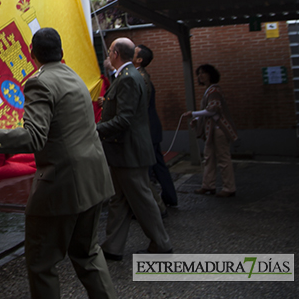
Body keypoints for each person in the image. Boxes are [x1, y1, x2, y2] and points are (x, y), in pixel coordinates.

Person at [0, 27, 116, 299]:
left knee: (42, 262)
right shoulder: (74, 77)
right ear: (61, 51)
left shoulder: (39, 82)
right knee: (88, 253)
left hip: (63, 185)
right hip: (95, 179)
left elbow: (34, 137)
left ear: (31, 53)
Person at [96, 37, 172, 261]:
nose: (108, 55)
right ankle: (113, 246)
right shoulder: (128, 77)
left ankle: (161, 243)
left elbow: (124, 119)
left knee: (142, 199)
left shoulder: (128, 79)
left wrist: (95, 129)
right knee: (119, 200)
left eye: (110, 51)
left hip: (129, 151)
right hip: (123, 152)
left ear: (116, 54)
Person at [183, 64, 238, 198]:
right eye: (199, 73)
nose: (200, 76)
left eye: (203, 73)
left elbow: (213, 109)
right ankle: (208, 185)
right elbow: (210, 112)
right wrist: (197, 117)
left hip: (218, 130)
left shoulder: (214, 91)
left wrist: (194, 114)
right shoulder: (210, 90)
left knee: (222, 159)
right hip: (212, 130)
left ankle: (228, 187)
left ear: (210, 75)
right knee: (209, 158)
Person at [133, 44, 178, 208]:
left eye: (134, 51)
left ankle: (154, 205)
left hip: (147, 129)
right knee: (158, 166)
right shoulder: (143, 76)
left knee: (147, 170)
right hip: (152, 128)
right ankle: (170, 197)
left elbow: (139, 106)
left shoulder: (139, 77)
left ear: (139, 60)